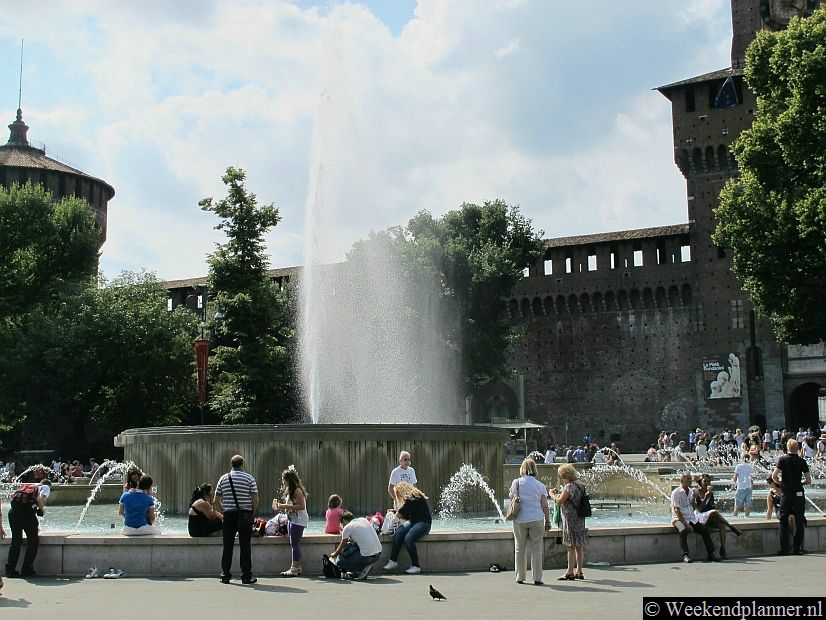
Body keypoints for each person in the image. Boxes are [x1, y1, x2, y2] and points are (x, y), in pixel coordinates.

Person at [214, 454, 259, 584]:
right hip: (245, 515)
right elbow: (255, 499)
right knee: (245, 546)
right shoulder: (249, 478)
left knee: (227, 546)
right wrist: (252, 512)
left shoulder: (223, 479)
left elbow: (216, 500)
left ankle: (225, 575)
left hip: (228, 515)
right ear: (242, 464)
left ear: (231, 464)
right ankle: (246, 576)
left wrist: (225, 509)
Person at [507, 458, 550, 585]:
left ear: (522, 469)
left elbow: (511, 497)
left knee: (520, 549)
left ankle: (520, 577)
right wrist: (547, 521)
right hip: (537, 518)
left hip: (520, 519)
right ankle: (537, 578)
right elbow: (545, 505)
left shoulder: (516, 483)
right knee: (536, 550)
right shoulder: (540, 485)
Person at [771, 439, 811, 555]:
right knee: (799, 520)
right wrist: (800, 483)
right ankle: (796, 548)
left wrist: (781, 483)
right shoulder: (801, 461)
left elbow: (774, 476)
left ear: (787, 447)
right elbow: (808, 480)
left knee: (783, 520)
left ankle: (784, 549)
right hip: (798, 493)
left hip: (786, 493)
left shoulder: (782, 459)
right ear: (798, 448)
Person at [550, 463, 588, 580]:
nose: (562, 480)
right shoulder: (580, 485)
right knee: (579, 546)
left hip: (570, 519)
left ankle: (569, 572)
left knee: (570, 546)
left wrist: (551, 494)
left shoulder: (569, 487)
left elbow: (559, 501)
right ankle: (579, 571)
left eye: (562, 477)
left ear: (566, 476)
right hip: (580, 518)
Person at [383, 482, 431, 574]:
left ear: (403, 491)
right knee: (399, 532)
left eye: (399, 494)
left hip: (424, 523)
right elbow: (405, 512)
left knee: (408, 538)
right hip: (414, 521)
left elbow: (399, 515)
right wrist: (395, 511)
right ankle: (393, 560)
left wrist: (389, 522)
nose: (400, 496)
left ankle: (416, 566)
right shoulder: (412, 498)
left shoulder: (414, 498)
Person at [5, 480, 50, 578]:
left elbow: (14, 497)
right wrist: (43, 510)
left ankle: (10, 570)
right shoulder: (46, 487)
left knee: (16, 541)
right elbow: (39, 499)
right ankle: (26, 570)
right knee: (33, 541)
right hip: (26, 515)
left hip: (13, 513)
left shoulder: (30, 486)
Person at [692, 474, 741, 560]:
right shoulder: (696, 492)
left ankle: (723, 549)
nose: (707, 483)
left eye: (708, 481)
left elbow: (712, 507)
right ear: (700, 482)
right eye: (705, 481)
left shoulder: (710, 493)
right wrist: (706, 497)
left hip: (708, 515)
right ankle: (731, 527)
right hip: (698, 516)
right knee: (714, 512)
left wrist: (709, 497)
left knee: (722, 526)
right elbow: (698, 509)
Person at [670, 473, 717, 563]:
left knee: (704, 530)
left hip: (691, 518)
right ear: (682, 480)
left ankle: (711, 554)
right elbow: (676, 510)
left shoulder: (691, 491)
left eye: (690, 479)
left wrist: (694, 499)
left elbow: (695, 507)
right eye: (688, 479)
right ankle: (685, 555)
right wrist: (686, 524)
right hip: (678, 519)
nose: (690, 480)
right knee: (683, 530)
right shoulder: (676, 492)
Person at [275, 466, 309, 577]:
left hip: (298, 520)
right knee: (294, 543)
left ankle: (294, 569)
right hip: (293, 519)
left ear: (288, 480)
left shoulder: (297, 490)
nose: (282, 482)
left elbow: (302, 506)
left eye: (283, 479)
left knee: (295, 544)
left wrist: (286, 505)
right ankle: (297, 567)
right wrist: (281, 506)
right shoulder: (290, 490)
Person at [330, 511, 383, 580]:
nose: (342, 526)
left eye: (342, 524)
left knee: (340, 562)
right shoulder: (363, 520)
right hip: (378, 554)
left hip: (366, 557)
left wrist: (333, 555)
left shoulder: (347, 527)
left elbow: (340, 547)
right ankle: (360, 570)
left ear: (344, 520)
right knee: (353, 547)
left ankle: (362, 569)